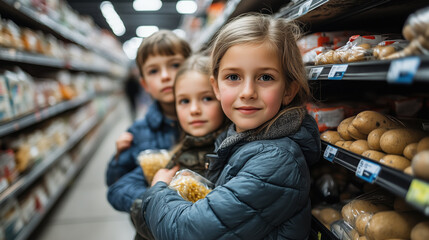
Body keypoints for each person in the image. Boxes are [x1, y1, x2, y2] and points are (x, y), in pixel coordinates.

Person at [131, 13, 321, 239]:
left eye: (266, 78)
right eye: (233, 77)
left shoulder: (276, 160)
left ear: (289, 90)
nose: (248, 92)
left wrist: (158, 190)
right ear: (217, 87)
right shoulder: (237, 141)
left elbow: (189, 232)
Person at [106, 30, 191, 214]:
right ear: (144, 85)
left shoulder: (213, 121)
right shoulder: (138, 132)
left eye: (175, 65)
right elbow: (115, 184)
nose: (165, 76)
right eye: (154, 71)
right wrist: (118, 159)